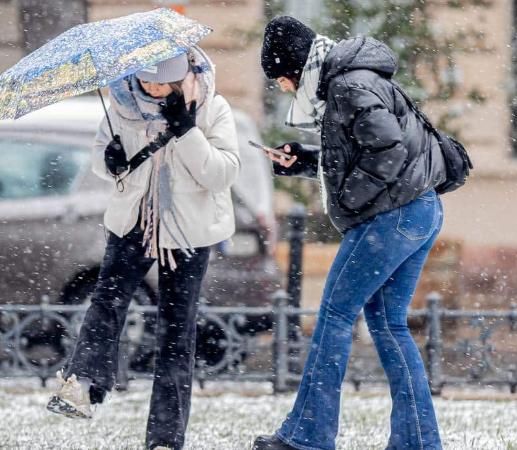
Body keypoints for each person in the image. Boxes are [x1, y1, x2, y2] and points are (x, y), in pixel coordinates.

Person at [252, 17, 446, 450]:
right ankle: (418, 441)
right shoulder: (354, 77)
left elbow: (388, 149)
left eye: (282, 79)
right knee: (389, 324)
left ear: (297, 68)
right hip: (421, 210)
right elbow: (362, 147)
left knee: (335, 316)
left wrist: (355, 201)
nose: (283, 89)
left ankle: (307, 437)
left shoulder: (346, 85)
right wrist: (304, 160)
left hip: (393, 217)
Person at [46, 48, 240, 450]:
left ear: (180, 77)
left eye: (159, 81)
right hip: (134, 219)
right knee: (107, 301)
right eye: (144, 80)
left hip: (189, 230)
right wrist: (111, 161)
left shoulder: (212, 107)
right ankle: (84, 386)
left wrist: (186, 132)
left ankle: (166, 437)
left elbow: (220, 173)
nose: (149, 89)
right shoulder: (121, 104)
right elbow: (102, 158)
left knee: (176, 330)